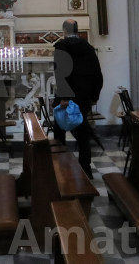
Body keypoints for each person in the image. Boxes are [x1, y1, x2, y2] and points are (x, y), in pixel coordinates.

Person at [52, 18, 103, 177]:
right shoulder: (88, 49)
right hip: (83, 96)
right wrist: (94, 95)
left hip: (66, 97)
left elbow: (61, 75)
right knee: (83, 133)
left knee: (59, 132)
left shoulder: (61, 47)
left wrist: (64, 97)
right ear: (77, 30)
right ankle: (86, 169)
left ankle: (60, 167)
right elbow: (97, 74)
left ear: (64, 31)